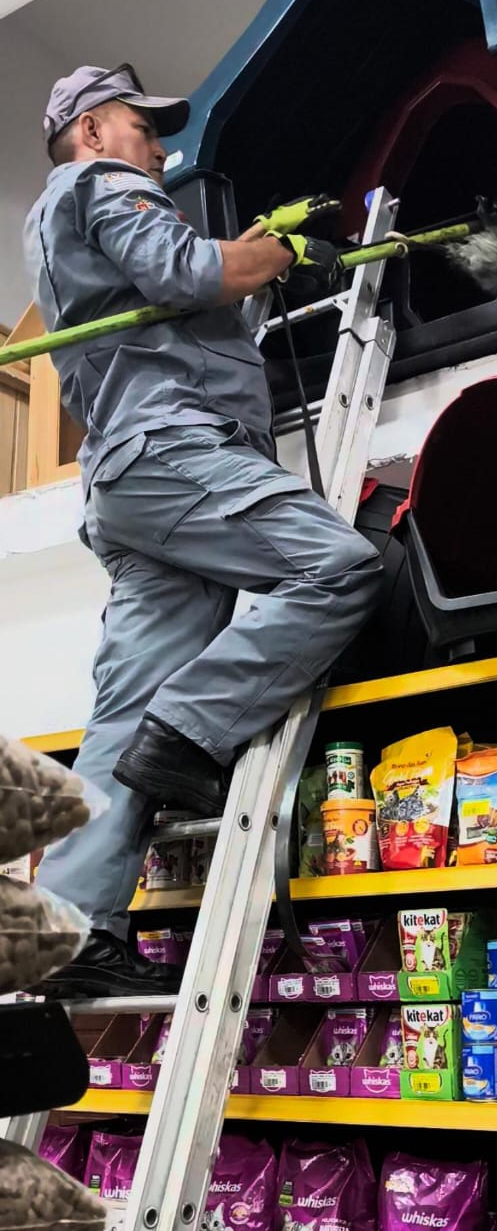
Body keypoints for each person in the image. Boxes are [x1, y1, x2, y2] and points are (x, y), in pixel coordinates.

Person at [23, 64, 382, 998]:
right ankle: (190, 732)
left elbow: (187, 305)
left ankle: (69, 928)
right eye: (143, 128)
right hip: (173, 450)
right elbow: (186, 270)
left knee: (122, 708)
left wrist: (261, 267)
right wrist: (274, 251)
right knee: (338, 567)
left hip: (132, 482)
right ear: (94, 129)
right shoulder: (103, 182)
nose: (159, 147)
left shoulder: (66, 220)